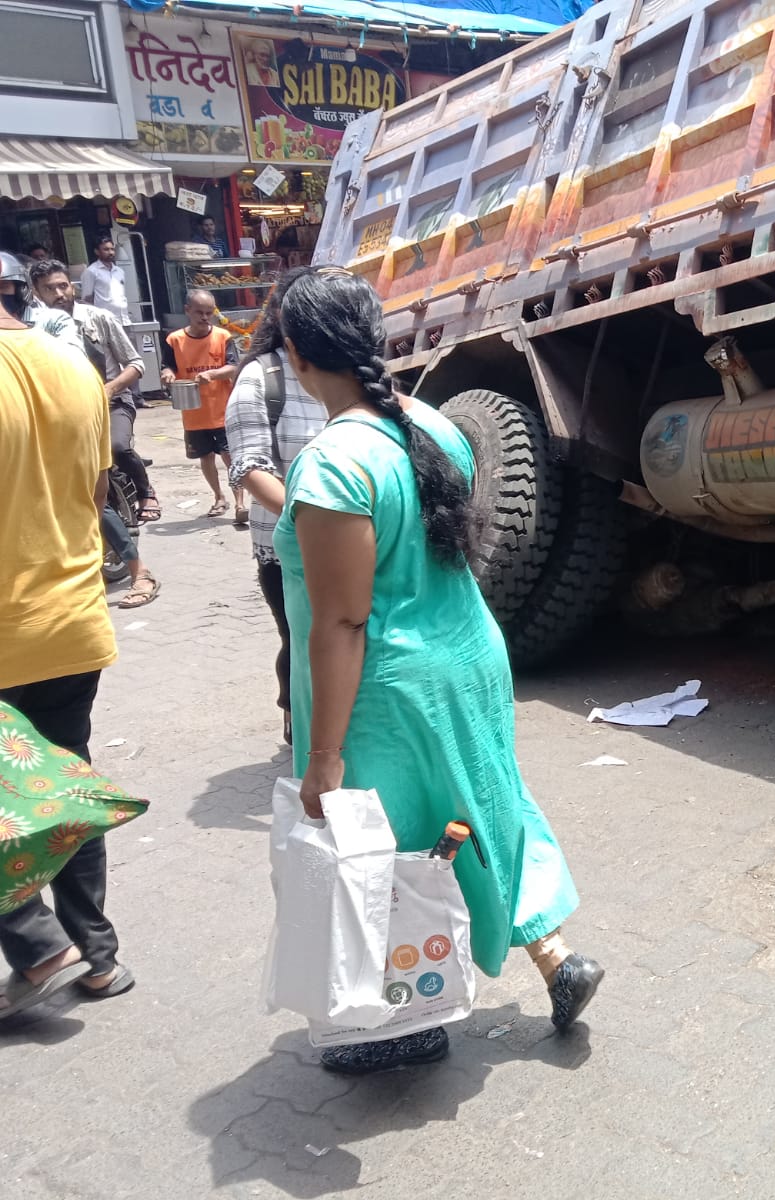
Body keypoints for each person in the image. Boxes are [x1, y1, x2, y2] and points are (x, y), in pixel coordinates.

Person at [276, 268, 602, 1072]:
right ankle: (556, 958)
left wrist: (323, 758)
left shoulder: (333, 464)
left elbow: (344, 619)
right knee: (486, 810)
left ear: (295, 355)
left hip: (391, 691)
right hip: (468, 658)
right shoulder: (428, 423)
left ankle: (407, 1021)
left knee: (394, 853)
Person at [0, 290, 135, 1020]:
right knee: (66, 791)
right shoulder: (75, 366)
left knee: (18, 799)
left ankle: (35, 940)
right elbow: (96, 491)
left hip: (6, 629)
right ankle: (97, 955)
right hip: (73, 617)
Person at [225, 271, 325, 743]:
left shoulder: (345, 369)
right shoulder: (260, 377)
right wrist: (324, 515)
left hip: (355, 538)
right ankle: (299, 722)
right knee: (301, 638)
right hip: (285, 548)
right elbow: (249, 467)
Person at [32, 259, 163, 527]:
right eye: (49, 289)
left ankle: (145, 492)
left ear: (73, 287)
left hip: (113, 402)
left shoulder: (99, 318)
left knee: (117, 447)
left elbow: (136, 364)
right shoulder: (34, 328)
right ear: (36, 293)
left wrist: (108, 389)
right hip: (64, 409)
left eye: (63, 286)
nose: (59, 294)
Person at [160, 289, 245, 522]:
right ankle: (219, 497)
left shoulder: (222, 337)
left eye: (210, 313)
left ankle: (240, 503)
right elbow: (166, 366)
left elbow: (233, 367)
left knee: (230, 457)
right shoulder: (174, 339)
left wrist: (214, 374)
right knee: (205, 457)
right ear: (187, 310)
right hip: (193, 412)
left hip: (221, 410)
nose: (205, 317)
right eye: (200, 312)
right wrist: (167, 375)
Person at [79, 235, 130, 326]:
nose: (110, 252)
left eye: (112, 249)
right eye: (106, 249)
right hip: (105, 323)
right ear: (97, 252)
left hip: (124, 320)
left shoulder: (119, 271)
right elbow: (86, 301)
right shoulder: (91, 271)